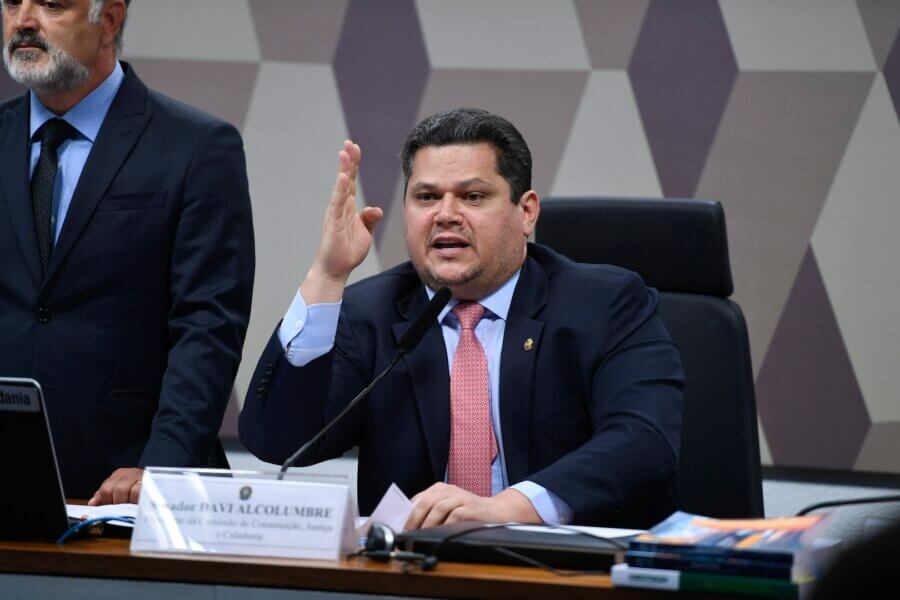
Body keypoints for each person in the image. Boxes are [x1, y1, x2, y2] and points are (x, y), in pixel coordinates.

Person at [239, 108, 682, 528]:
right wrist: (327, 275)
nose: (446, 215)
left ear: (526, 212)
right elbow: (278, 442)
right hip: (416, 577)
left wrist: (507, 508)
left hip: (564, 576)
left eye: (472, 196)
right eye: (427, 197)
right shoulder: (369, 312)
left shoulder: (605, 304)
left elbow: (643, 440)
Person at [0, 0, 254, 504]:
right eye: (11, 2)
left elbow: (208, 326)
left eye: (51, 4)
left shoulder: (199, 146)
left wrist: (161, 467)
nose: (24, 20)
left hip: (130, 487)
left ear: (109, 19)